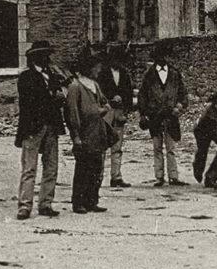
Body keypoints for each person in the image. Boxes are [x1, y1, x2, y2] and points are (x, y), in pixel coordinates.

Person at [15, 40, 66, 220]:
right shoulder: (26, 77)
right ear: (35, 57)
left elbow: (58, 96)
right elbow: (30, 102)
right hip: (33, 127)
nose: (47, 58)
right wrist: (54, 96)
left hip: (51, 125)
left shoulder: (52, 76)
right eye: (44, 54)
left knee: (51, 167)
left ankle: (45, 204)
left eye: (48, 54)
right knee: (29, 168)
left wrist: (59, 95)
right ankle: (24, 206)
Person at [65, 56, 113, 213]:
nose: (99, 71)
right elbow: (73, 113)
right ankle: (78, 202)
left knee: (96, 168)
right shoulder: (75, 87)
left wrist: (104, 108)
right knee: (82, 169)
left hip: (97, 132)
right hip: (84, 133)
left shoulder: (95, 85)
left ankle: (92, 200)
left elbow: (104, 102)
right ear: (89, 69)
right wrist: (76, 136)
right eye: (96, 68)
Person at [138, 48, 188, 187]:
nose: (162, 59)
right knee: (157, 147)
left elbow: (183, 94)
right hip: (154, 117)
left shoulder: (174, 74)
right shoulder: (149, 75)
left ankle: (174, 177)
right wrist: (143, 114)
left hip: (171, 116)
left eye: (164, 56)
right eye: (158, 57)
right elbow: (142, 96)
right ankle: (159, 177)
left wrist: (180, 106)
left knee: (171, 148)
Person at [96, 44, 134, 188]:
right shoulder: (102, 73)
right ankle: (98, 177)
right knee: (102, 146)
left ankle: (116, 177)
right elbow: (99, 93)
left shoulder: (124, 74)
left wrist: (126, 109)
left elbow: (129, 92)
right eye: (115, 58)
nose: (118, 62)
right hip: (106, 112)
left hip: (119, 112)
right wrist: (111, 99)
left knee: (117, 146)